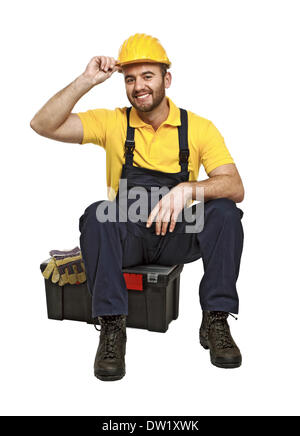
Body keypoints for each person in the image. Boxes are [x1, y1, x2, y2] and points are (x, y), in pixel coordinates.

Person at [31, 33, 245, 382]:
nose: (138, 86)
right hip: (129, 237)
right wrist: (86, 80)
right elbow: (43, 124)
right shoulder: (113, 122)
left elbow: (235, 186)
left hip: (177, 235)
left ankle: (216, 320)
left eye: (147, 76)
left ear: (166, 79)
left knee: (224, 212)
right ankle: (113, 327)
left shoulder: (199, 129)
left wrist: (187, 190)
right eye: (130, 79)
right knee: (97, 214)